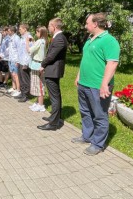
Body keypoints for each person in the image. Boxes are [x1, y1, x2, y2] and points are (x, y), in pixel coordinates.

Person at [73, 13, 120, 155]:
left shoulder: (109, 40)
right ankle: (87, 136)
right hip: (84, 83)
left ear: (95, 24)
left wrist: (104, 84)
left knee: (99, 115)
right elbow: (85, 60)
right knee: (85, 111)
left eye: (87, 23)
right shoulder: (89, 39)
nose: (85, 26)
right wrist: (78, 76)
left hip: (98, 85)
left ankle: (98, 144)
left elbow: (112, 63)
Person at [38, 18, 68, 131]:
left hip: (53, 71)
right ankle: (55, 117)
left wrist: (42, 65)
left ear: (54, 26)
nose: (48, 29)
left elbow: (51, 56)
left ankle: (53, 124)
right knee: (55, 95)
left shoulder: (59, 38)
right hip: (52, 70)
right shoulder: (57, 38)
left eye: (49, 26)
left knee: (54, 97)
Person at [28, 26, 47, 112]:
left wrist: (27, 42)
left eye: (37, 32)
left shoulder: (40, 41)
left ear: (41, 33)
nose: (36, 33)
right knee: (36, 84)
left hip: (37, 65)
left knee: (39, 85)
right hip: (37, 64)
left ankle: (41, 104)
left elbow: (29, 50)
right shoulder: (42, 41)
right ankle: (38, 102)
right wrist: (33, 41)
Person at [16, 23, 33, 103]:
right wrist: (18, 61)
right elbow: (20, 51)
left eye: (20, 29)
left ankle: (26, 94)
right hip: (20, 61)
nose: (19, 30)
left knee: (25, 79)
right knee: (21, 78)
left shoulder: (29, 37)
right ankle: (23, 93)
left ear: (25, 29)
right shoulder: (22, 38)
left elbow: (30, 51)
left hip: (25, 62)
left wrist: (26, 63)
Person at [6, 25, 21, 97]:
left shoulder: (17, 38)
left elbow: (19, 50)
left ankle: (18, 90)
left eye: (8, 31)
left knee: (16, 75)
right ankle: (14, 87)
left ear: (12, 31)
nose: (7, 32)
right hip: (10, 59)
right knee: (12, 74)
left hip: (15, 60)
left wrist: (17, 61)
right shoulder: (10, 38)